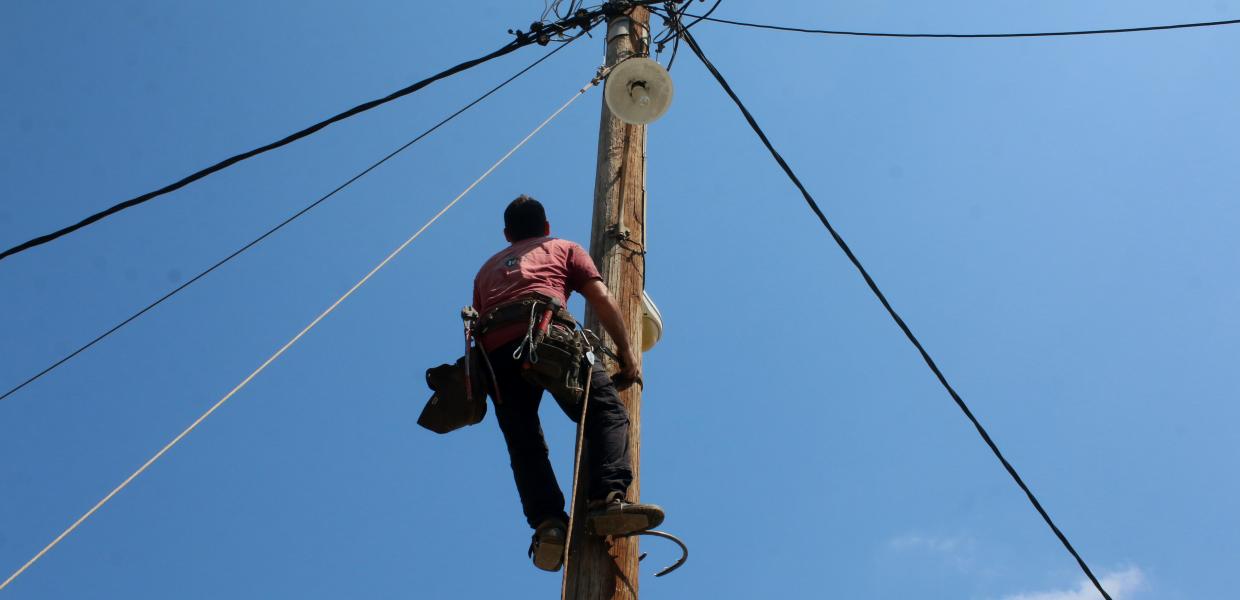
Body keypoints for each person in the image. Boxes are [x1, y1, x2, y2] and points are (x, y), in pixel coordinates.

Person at [472, 195, 664, 572]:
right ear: (545, 226)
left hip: (493, 359)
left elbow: (481, 320)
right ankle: (607, 501)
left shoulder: (486, 270)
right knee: (607, 413)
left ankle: (548, 526)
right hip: (547, 336)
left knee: (525, 444)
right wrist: (629, 357)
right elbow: (602, 298)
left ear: (508, 234)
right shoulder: (562, 247)